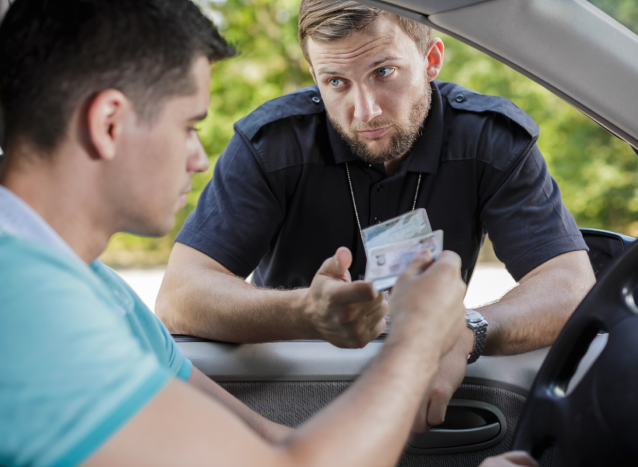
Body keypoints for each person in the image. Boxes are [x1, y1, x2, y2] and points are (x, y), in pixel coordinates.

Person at [0, 0, 536, 466]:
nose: (199, 159)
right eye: (188, 125)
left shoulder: (92, 287)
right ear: (110, 124)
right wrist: (418, 336)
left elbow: (270, 443)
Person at [156, 0, 596, 432]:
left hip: (427, 398)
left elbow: (571, 285)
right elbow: (180, 295)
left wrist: (463, 331)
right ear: (314, 76)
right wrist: (305, 313)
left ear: (431, 59)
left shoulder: (489, 140)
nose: (365, 111)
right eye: (336, 82)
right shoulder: (272, 145)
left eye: (383, 72)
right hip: (289, 399)